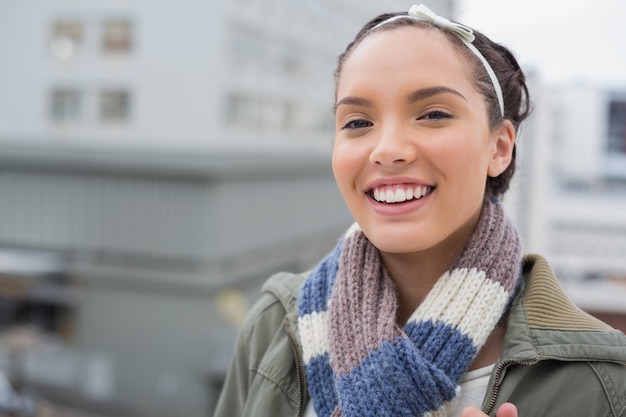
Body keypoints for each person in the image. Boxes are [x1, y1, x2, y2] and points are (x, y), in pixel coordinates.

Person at [213, 4, 626, 417]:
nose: (388, 149)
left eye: (433, 114)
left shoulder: (600, 382)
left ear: (499, 147)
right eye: (357, 122)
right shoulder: (276, 325)